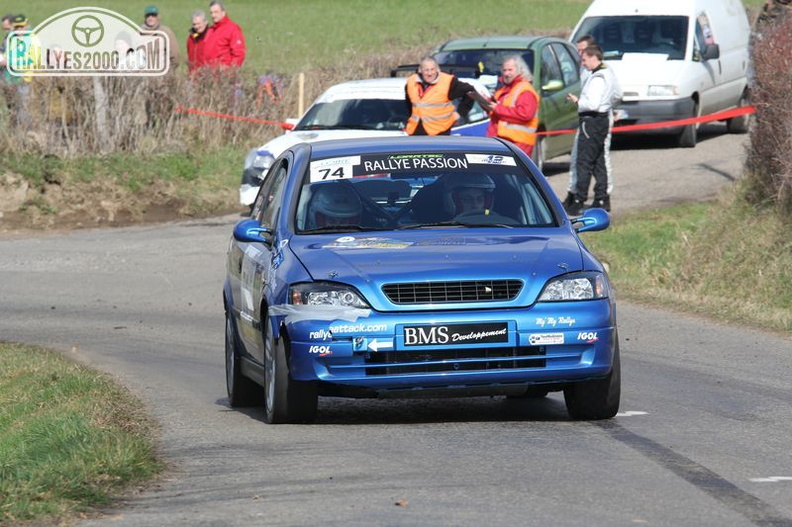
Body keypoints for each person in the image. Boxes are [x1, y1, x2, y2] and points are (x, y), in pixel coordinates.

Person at [565, 45, 621, 214]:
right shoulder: (608, 73)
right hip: (601, 120)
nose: (583, 64)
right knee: (598, 161)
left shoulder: (598, 77)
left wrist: (577, 101)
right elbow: (617, 95)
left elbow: (593, 104)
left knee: (584, 161)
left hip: (591, 121)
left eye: (584, 60)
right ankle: (602, 198)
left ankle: (578, 200)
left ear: (593, 58)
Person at [563, 34, 597, 209]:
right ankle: (573, 192)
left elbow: (614, 94)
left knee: (596, 160)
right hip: (582, 117)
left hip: (595, 119)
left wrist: (579, 102)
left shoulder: (598, 72)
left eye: (582, 49)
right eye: (577, 50)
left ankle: (598, 196)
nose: (579, 53)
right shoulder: (583, 69)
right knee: (576, 158)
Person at [483, 55, 539, 157]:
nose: (506, 73)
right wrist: (484, 102)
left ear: (519, 70)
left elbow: (525, 114)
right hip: (502, 141)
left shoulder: (525, 90)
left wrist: (497, 108)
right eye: (504, 70)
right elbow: (497, 113)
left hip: (518, 144)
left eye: (510, 70)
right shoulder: (504, 89)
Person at [404, 57, 475, 136]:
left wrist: (460, 113)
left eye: (432, 69)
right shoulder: (411, 82)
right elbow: (409, 105)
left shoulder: (448, 82)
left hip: (440, 132)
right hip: (415, 131)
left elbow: (470, 91)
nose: (430, 73)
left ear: (437, 69)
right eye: (426, 70)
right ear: (420, 70)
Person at [203, 1, 246, 67]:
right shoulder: (210, 30)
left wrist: (229, 72)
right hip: (209, 73)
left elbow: (239, 54)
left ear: (223, 12)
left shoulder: (232, 29)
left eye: (216, 12)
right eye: (211, 13)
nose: (213, 15)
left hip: (223, 74)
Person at [140, 5, 180, 70]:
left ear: (158, 17)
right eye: (148, 16)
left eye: (153, 15)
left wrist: (168, 73)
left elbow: (175, 57)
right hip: (143, 76)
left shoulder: (166, 33)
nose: (150, 18)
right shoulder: (139, 33)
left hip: (161, 76)